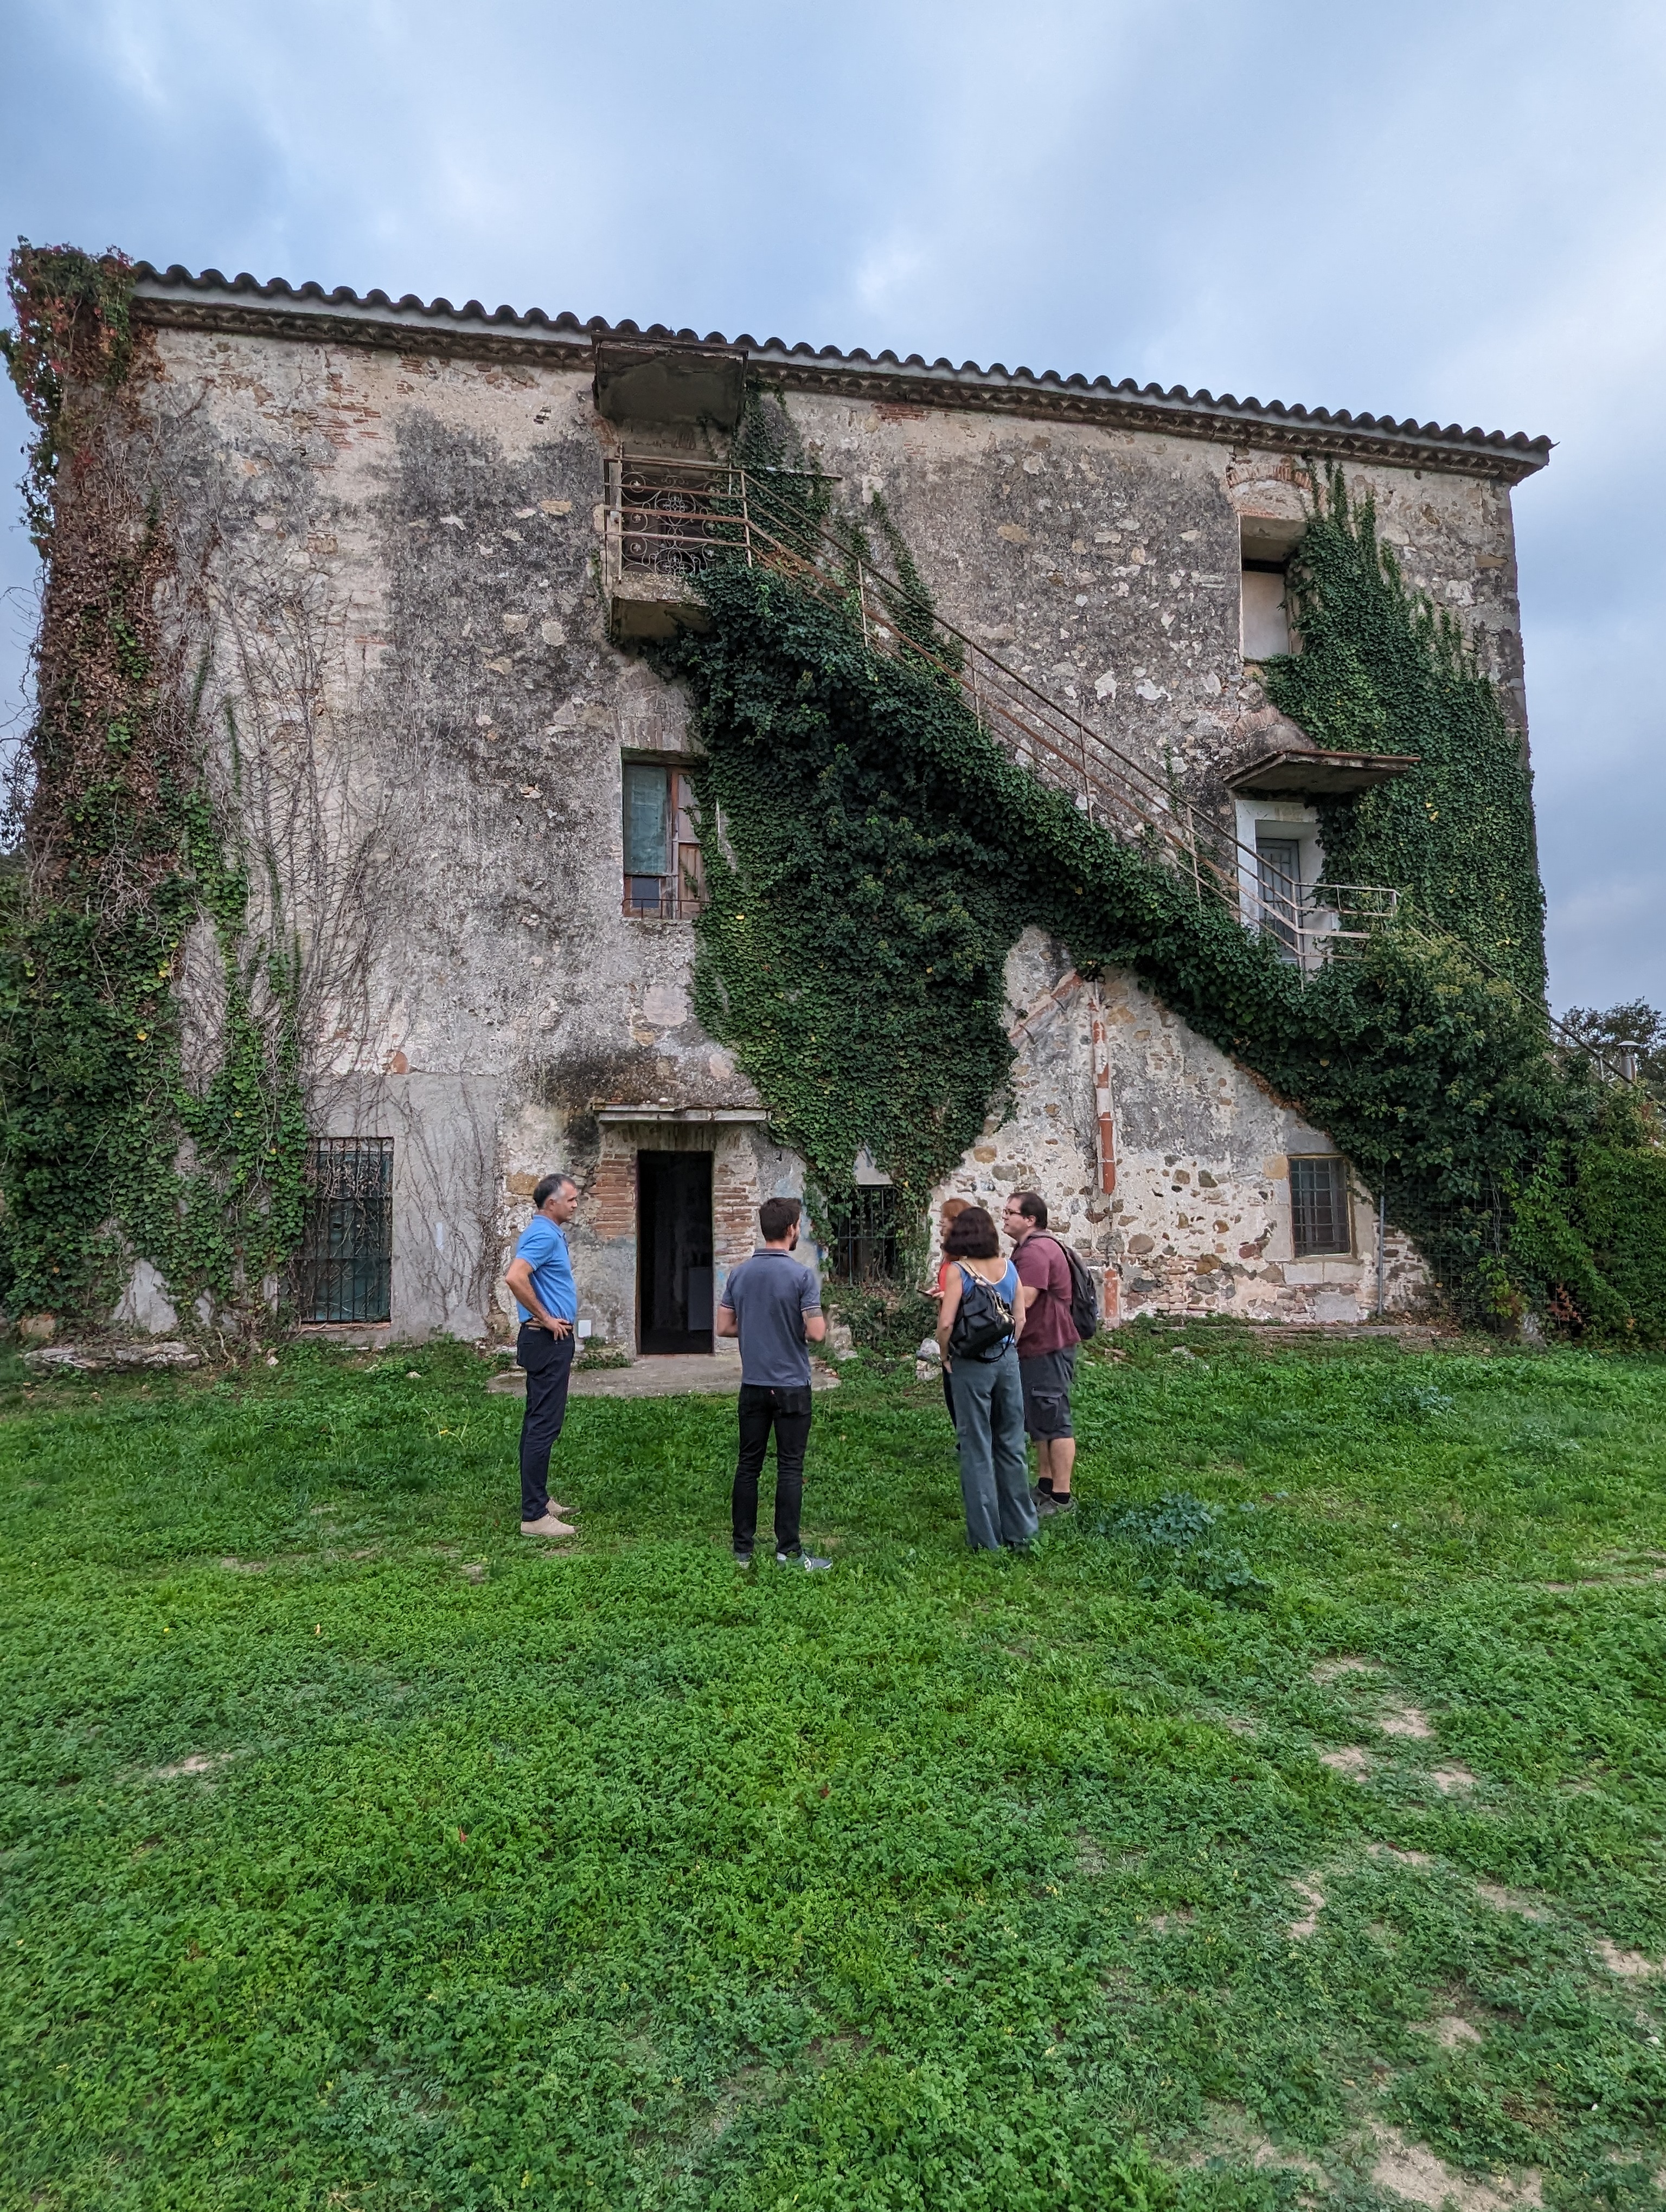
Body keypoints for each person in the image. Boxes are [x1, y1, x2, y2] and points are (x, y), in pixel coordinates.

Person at [717, 1195, 831, 1570]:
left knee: (748, 1465)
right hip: (792, 1387)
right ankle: (788, 1551)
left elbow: (725, 1327)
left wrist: (758, 1325)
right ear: (792, 1229)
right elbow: (816, 1332)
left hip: (753, 1384)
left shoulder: (739, 1274)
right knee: (789, 1467)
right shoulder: (801, 1276)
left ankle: (742, 1552)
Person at [935, 1205, 1037, 1553]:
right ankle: (1021, 1532)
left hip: (970, 1365)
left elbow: (947, 1323)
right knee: (1011, 1444)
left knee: (976, 1446)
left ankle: (986, 1540)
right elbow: (1020, 1318)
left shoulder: (958, 1271)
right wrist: (1009, 1348)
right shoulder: (1009, 1267)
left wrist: (946, 1355)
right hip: (1007, 1360)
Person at [503, 1172, 580, 1539]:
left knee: (540, 1422)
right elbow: (515, 1277)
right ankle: (533, 1516)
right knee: (543, 1425)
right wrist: (547, 1318)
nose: (576, 1204)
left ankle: (540, 1499)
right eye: (571, 1199)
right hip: (546, 1339)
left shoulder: (547, 1233)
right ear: (552, 1203)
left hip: (547, 1340)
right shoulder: (542, 1233)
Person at [1002, 1189, 1080, 1516]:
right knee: (1041, 1417)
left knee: (1055, 1418)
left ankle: (1062, 1498)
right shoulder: (1032, 1248)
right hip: (1039, 1345)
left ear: (1030, 1220)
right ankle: (1046, 1485)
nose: (1004, 1216)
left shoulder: (1036, 1252)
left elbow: (1025, 1299)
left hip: (1047, 1345)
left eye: (1011, 1212)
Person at [929, 1197, 970, 1424]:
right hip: (950, 1323)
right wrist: (941, 1290)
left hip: (959, 1328)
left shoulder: (966, 1257)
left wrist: (949, 1296)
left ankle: (969, 1442)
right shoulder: (949, 1254)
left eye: (944, 1217)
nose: (940, 1223)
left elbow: (973, 1292)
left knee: (958, 1388)